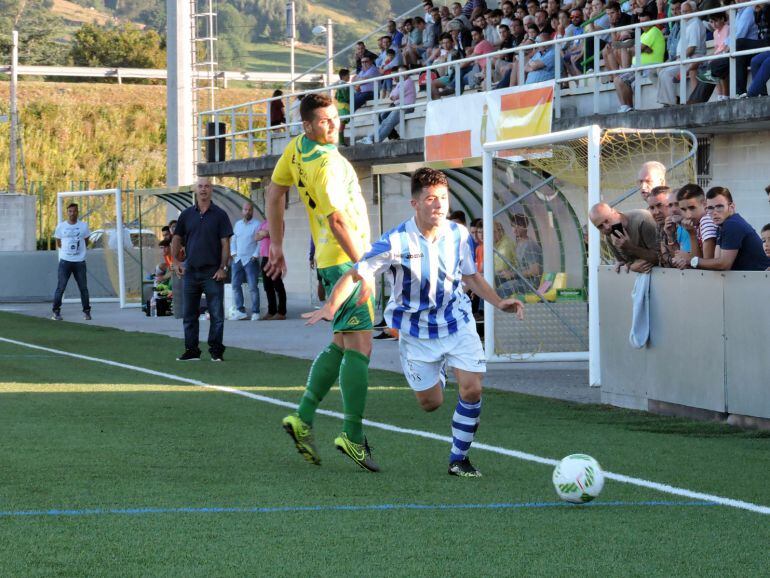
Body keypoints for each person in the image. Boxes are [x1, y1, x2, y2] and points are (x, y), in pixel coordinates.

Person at [303, 168, 525, 477]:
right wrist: (331, 305)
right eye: (431, 199)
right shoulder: (396, 241)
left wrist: (499, 302)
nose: (439, 205)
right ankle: (439, 371)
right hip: (416, 332)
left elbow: (471, 276)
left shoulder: (459, 234)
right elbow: (356, 273)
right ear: (415, 203)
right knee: (430, 403)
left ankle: (458, 459)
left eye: (443, 198)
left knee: (472, 389)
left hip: (457, 322)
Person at [265, 93, 378, 472]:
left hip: (333, 260)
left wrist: (277, 244)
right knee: (361, 348)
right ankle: (352, 435)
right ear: (308, 125)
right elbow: (337, 220)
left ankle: (303, 418)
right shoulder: (327, 163)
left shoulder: (297, 147)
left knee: (343, 344)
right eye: (325, 121)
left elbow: (275, 191)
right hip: (345, 259)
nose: (334, 125)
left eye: (336, 117)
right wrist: (364, 267)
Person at [171, 177, 233, 362]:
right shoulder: (186, 214)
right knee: (189, 314)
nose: (204, 189)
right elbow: (176, 238)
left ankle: (216, 352)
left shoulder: (220, 215)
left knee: (216, 315)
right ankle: (192, 351)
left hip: (212, 273)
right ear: (195, 190)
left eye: (207, 186)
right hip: (191, 272)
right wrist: (175, 261)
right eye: (200, 186)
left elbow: (225, 243)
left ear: (211, 190)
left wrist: (223, 267)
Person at [687, 186, 770, 271]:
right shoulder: (722, 225)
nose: (714, 212)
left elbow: (724, 265)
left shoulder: (732, 224)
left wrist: (691, 261)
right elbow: (716, 261)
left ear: (731, 207)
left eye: (719, 207)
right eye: (710, 208)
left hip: (761, 278)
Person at [589, 202, 659, 272]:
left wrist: (630, 247)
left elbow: (659, 258)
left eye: (607, 221)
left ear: (615, 212)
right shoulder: (609, 235)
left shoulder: (642, 220)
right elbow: (626, 263)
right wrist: (627, 265)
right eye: (600, 226)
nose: (607, 227)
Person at [51, 202, 92, 321]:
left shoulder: (83, 226)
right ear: (67, 212)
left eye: (74, 211)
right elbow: (58, 242)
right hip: (65, 261)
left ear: (77, 212)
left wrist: (79, 252)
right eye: (70, 211)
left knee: (83, 288)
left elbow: (86, 240)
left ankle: (87, 312)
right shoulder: (61, 226)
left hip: (79, 261)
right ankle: (56, 312)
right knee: (61, 287)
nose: (72, 213)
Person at [672, 183, 718, 269]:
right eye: (683, 209)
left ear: (705, 205)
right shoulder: (698, 223)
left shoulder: (706, 220)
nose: (688, 215)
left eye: (692, 208)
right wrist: (692, 233)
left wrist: (688, 259)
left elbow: (707, 265)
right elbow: (698, 261)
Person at [230, 201, 262, 321]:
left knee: (253, 287)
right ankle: (240, 311)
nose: (247, 212)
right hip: (237, 259)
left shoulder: (257, 225)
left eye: (249, 210)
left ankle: (255, 312)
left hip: (250, 260)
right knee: (235, 285)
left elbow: (260, 242)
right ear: (242, 211)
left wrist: (255, 255)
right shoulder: (237, 224)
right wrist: (233, 253)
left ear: (252, 211)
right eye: (245, 209)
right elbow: (233, 240)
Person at [255, 218, 286, 320]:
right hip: (264, 257)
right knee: (267, 286)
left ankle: (281, 312)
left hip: (274, 256)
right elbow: (256, 237)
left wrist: (265, 233)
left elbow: (277, 235)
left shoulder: (278, 221)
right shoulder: (264, 223)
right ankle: (271, 311)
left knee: (278, 285)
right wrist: (265, 233)